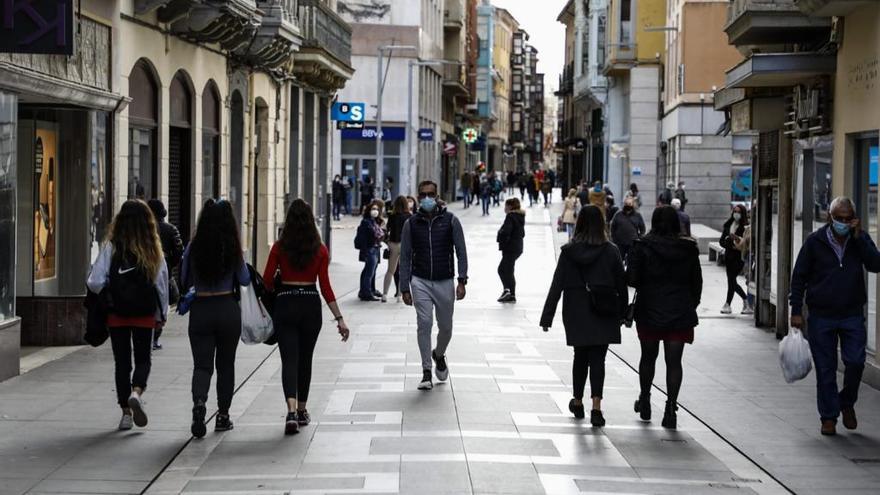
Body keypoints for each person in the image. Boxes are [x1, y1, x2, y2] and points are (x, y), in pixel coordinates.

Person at [790, 197, 880, 436]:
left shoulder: (858, 239)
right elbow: (799, 277)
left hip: (851, 313)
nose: (843, 223)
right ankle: (828, 417)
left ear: (853, 218)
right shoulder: (814, 242)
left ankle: (847, 402)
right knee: (826, 368)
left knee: (855, 362)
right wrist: (796, 310)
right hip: (822, 315)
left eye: (847, 219)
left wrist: (860, 237)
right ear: (829, 217)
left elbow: (876, 264)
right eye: (838, 218)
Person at [263, 199, 350, 435]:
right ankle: (302, 410)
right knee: (306, 359)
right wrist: (339, 318)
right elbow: (326, 287)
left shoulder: (279, 247)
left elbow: (267, 281)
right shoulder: (320, 250)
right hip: (310, 304)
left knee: (289, 359)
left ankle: (290, 411)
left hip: (286, 304)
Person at [541, 205, 627, 427]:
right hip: (604, 310)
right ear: (602, 223)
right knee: (599, 359)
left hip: (576, 310)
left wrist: (547, 316)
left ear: (579, 223)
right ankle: (596, 408)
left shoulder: (569, 252)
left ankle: (577, 401)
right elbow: (622, 285)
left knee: (580, 357)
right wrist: (625, 313)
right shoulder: (611, 251)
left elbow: (556, 284)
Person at [87, 200, 169, 431]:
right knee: (143, 359)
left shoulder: (112, 247)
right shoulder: (153, 249)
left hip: (117, 314)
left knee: (122, 363)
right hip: (144, 313)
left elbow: (94, 281)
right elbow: (161, 285)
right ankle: (137, 392)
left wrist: (110, 293)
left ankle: (125, 413)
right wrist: (162, 314)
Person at [626, 206, 702, 430]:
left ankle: (646, 399)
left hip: (650, 309)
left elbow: (632, 279)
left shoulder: (642, 246)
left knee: (648, 357)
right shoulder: (688, 248)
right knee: (674, 362)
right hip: (680, 311)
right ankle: (670, 408)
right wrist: (690, 304)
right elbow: (696, 282)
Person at [180, 199, 250, 438]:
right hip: (227, 309)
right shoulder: (232, 246)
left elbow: (183, 279)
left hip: (201, 309)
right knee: (225, 365)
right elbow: (244, 279)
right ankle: (223, 415)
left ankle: (199, 404)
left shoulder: (194, 246)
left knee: (202, 365)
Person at [400, 181, 468, 391]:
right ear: (418, 197)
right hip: (420, 280)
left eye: (431, 194)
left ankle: (438, 353)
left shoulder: (450, 221)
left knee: (446, 327)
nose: (427, 198)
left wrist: (462, 280)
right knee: (424, 323)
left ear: (436, 195)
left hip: (445, 280)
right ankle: (426, 371)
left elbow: (461, 251)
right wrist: (404, 287)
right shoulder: (411, 224)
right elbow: (405, 257)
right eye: (423, 195)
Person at [147, 199, 183, 351]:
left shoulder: (145, 230)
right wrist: (169, 266)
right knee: (162, 304)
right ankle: (155, 337)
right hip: (163, 273)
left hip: (147, 274)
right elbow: (179, 252)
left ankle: (149, 335)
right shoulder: (171, 229)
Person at [720, 205, 750, 314]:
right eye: (735, 211)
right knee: (731, 281)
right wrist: (728, 243)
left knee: (731, 280)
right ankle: (744, 302)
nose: (736, 214)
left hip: (738, 258)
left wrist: (736, 242)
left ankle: (729, 303)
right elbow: (721, 241)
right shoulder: (728, 225)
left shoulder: (745, 228)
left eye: (738, 212)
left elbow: (746, 244)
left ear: (742, 214)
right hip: (729, 257)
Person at [383, 196, 412, 303]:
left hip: (393, 244)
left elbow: (387, 229)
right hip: (405, 245)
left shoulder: (392, 216)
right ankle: (400, 295)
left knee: (390, 271)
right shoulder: (409, 216)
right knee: (403, 270)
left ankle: (384, 295)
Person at [355, 200, 385, 301]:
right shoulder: (366, 222)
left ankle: (369, 290)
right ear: (369, 210)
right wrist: (364, 252)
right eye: (373, 209)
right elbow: (363, 238)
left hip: (376, 248)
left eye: (377, 209)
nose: (375, 211)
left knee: (372, 271)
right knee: (369, 271)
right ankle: (366, 292)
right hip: (369, 249)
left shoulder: (376, 221)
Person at [497, 198, 525, 303]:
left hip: (510, 248)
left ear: (510, 206)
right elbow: (522, 233)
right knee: (509, 270)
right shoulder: (520, 217)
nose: (504, 208)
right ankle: (511, 294)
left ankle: (508, 291)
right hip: (517, 247)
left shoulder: (510, 216)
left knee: (502, 269)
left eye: (506, 206)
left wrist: (501, 235)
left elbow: (506, 232)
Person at [610, 197, 645, 263]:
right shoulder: (618, 214)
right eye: (626, 203)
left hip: (632, 244)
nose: (628, 205)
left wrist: (639, 238)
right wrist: (614, 239)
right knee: (618, 261)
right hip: (620, 243)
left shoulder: (638, 215)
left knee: (632, 262)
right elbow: (612, 227)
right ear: (624, 204)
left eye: (630, 203)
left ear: (633, 204)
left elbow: (642, 228)